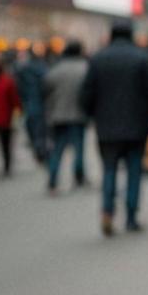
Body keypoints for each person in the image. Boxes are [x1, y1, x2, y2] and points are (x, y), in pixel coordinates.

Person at [79, 18, 148, 235]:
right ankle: (131, 216)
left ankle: (107, 212)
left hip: (106, 126)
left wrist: (91, 115)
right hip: (136, 125)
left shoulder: (98, 59)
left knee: (109, 170)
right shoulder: (142, 57)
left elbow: (87, 93)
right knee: (134, 170)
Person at [44, 40, 90, 191]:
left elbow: (46, 89)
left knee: (58, 149)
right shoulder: (85, 68)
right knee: (79, 149)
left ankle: (52, 178)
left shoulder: (56, 69)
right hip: (78, 115)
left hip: (58, 115)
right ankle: (79, 177)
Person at [14, 41, 49, 164]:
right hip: (38, 102)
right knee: (40, 129)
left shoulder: (22, 70)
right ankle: (41, 150)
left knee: (34, 128)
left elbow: (19, 88)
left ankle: (39, 150)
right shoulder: (42, 69)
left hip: (31, 102)